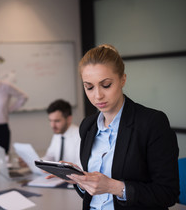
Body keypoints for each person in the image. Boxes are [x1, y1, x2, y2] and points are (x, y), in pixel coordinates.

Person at [47, 44, 179, 210]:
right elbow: (92, 196)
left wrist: (113, 187)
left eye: (106, 85)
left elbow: (168, 193)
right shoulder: (88, 126)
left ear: (123, 79)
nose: (97, 95)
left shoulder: (152, 123)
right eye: (89, 87)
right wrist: (81, 181)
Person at [42, 99, 82, 168]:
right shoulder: (58, 134)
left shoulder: (80, 136)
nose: (52, 125)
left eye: (57, 121)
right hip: (58, 176)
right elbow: (50, 156)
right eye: (50, 121)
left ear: (69, 119)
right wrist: (36, 163)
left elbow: (81, 165)